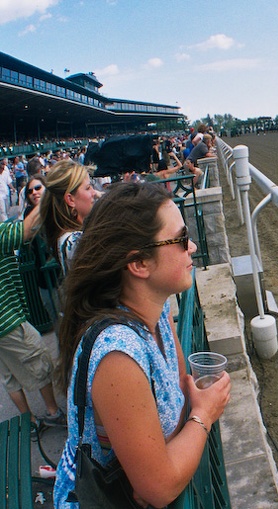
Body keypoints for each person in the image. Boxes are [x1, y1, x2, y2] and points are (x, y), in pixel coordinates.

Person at [53, 183, 231, 508]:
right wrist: (204, 414)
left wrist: (162, 458)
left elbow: (179, 390)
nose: (191, 246)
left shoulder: (156, 309)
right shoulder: (117, 355)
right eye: (180, 239)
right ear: (139, 264)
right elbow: (159, 489)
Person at [0, 203, 66, 430]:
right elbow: (25, 231)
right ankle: (52, 412)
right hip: (7, 319)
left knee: (9, 376)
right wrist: (48, 193)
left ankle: (30, 422)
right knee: (37, 358)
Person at [39, 160, 100, 276]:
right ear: (70, 200)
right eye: (88, 188)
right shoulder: (75, 241)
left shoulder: (70, 236)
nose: (94, 193)